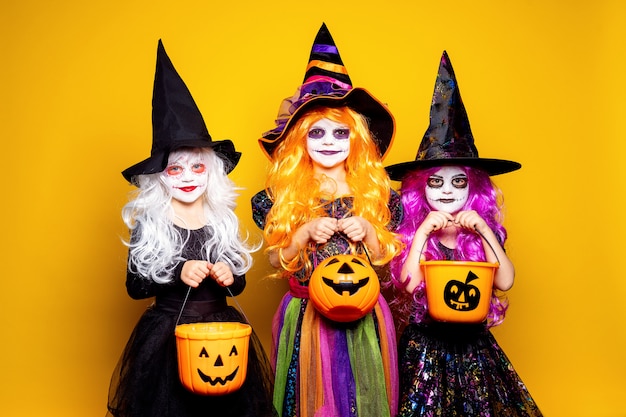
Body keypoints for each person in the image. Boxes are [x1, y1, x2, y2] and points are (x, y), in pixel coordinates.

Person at [107, 40, 275, 417]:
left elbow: (239, 286)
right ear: (158, 177)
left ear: (212, 171)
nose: (186, 178)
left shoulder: (220, 220)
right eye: (174, 169)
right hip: (167, 335)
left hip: (220, 333)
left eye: (196, 167)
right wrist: (178, 272)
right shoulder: (152, 224)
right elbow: (136, 287)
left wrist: (230, 275)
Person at [251, 23, 403, 417]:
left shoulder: (376, 193)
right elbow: (273, 260)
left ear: (358, 139)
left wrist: (369, 231)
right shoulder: (282, 197)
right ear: (299, 140)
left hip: (364, 312)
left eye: (341, 132)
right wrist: (302, 233)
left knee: (362, 396)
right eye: (317, 133)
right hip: (306, 318)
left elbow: (388, 262)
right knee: (310, 398)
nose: (330, 142)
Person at [386, 51, 542, 416]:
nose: (446, 191)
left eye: (458, 182)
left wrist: (485, 230)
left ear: (472, 188)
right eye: (436, 182)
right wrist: (423, 232)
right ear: (418, 188)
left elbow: (504, 281)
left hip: (474, 346)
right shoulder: (415, 232)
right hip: (425, 346)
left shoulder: (479, 233)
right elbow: (407, 285)